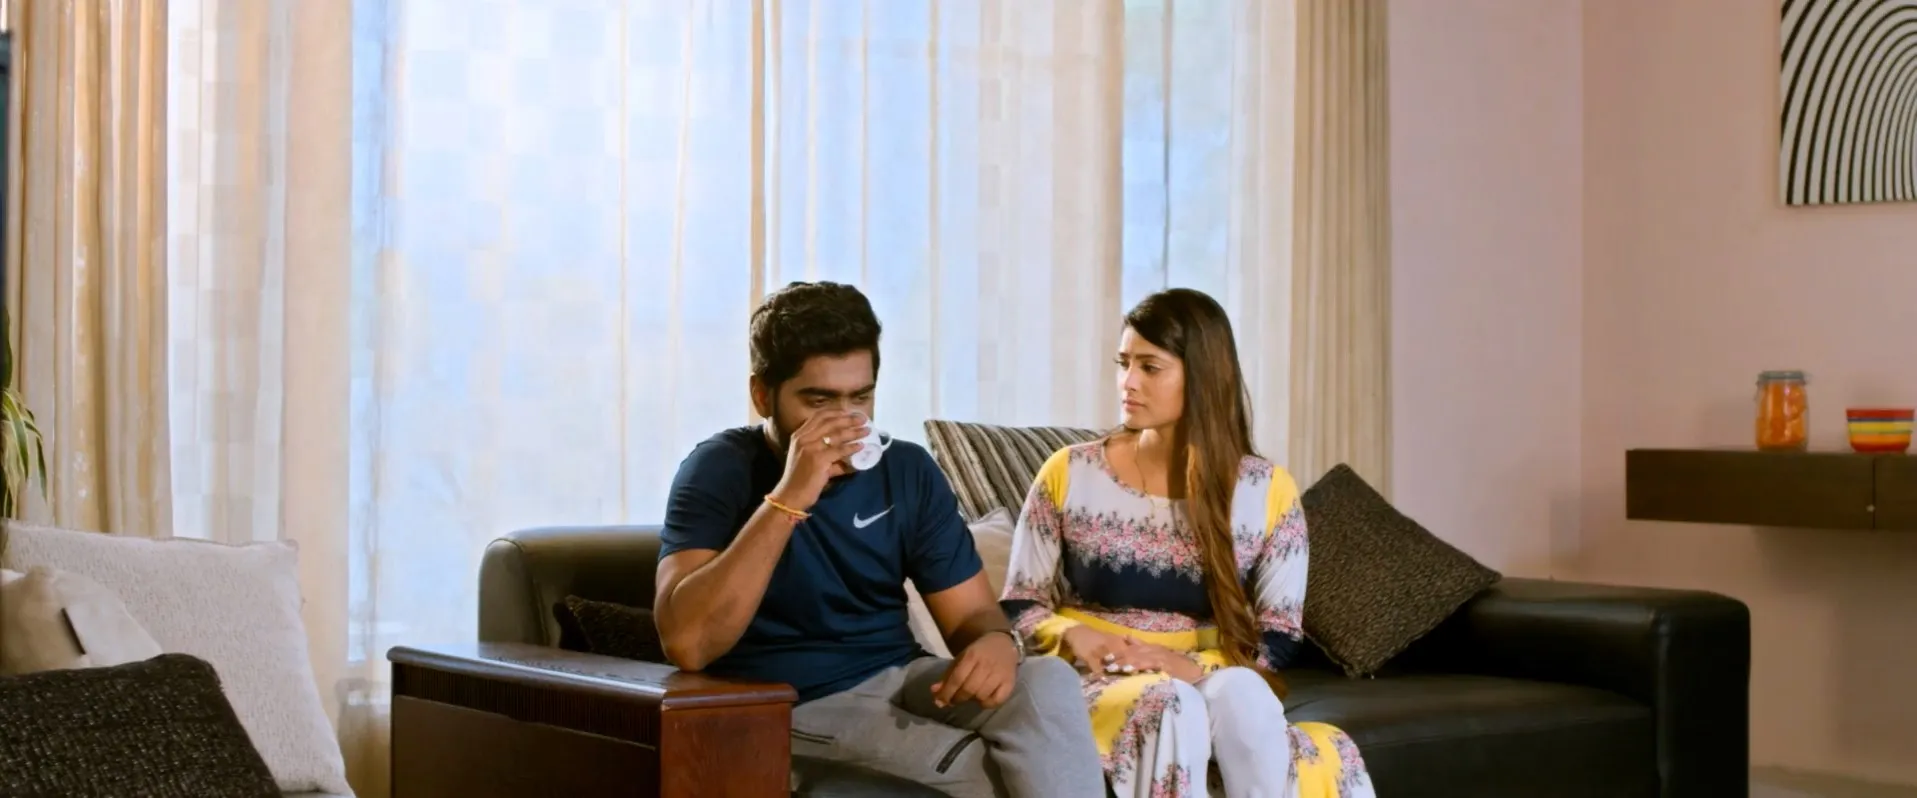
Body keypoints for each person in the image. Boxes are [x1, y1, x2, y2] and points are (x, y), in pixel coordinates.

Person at [653, 281, 1107, 798]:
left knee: (1048, 683)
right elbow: (688, 643)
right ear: (762, 396)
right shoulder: (718, 469)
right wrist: (790, 496)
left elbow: (971, 616)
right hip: (794, 702)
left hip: (903, 677)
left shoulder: (907, 470)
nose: (846, 421)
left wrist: (997, 642)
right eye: (819, 400)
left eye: (860, 397)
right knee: (986, 770)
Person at [1000, 288, 1376, 798]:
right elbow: (1020, 603)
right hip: (1095, 676)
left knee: (1243, 691)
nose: (1128, 382)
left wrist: (1191, 666)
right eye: (1124, 363)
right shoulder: (1070, 470)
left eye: (1150, 367)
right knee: (1173, 703)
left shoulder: (1266, 490)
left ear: (1202, 376)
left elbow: (1280, 637)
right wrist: (1071, 635)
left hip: (1200, 671)